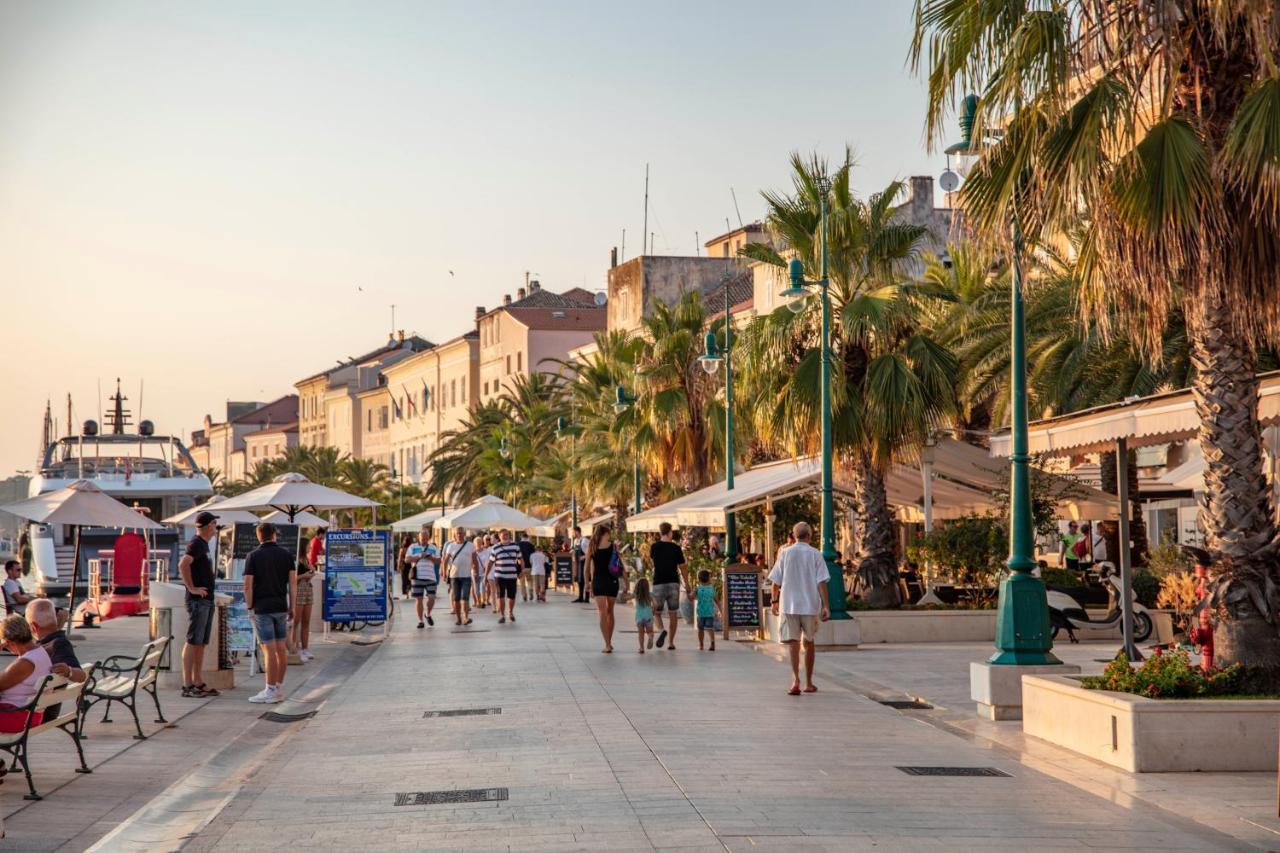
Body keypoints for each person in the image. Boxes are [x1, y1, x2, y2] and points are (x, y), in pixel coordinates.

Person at [767, 522, 830, 696]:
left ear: (794, 536)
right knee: (809, 643)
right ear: (809, 536)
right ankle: (809, 683)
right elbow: (822, 581)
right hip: (810, 605)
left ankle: (795, 681)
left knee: (793, 644)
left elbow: (775, 581)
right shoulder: (816, 554)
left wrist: (774, 602)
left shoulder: (785, 553)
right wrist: (826, 605)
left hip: (789, 604)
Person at [243, 523, 297, 705]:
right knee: (281, 649)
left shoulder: (253, 556)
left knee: (268, 650)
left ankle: (269, 689)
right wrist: (293, 606)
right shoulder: (286, 555)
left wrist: (249, 606)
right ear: (274, 535)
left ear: (259, 536)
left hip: (262, 607)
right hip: (281, 605)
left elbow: (248, 585)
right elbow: (293, 583)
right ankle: (278, 688)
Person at [178, 511, 220, 699]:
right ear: (208, 525)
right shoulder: (196, 543)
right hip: (198, 601)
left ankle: (198, 680)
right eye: (214, 524)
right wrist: (192, 588)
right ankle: (187, 684)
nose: (216, 527)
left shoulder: (203, 545)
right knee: (193, 640)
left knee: (201, 643)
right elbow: (183, 564)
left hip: (206, 599)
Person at [0, 614, 52, 732]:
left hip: (17, 716)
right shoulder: (39, 651)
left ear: (9, 642)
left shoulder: (26, 662)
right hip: (26, 713)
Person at [587, 524, 627, 653]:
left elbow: (586, 567)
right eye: (608, 533)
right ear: (605, 534)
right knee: (610, 611)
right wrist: (626, 582)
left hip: (598, 581)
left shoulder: (592, 547)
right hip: (612, 581)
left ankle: (607, 644)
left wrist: (587, 582)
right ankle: (609, 641)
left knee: (602, 613)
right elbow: (621, 565)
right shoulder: (614, 547)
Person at [649, 522, 688, 652]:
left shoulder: (654, 547)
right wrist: (687, 583)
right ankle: (671, 642)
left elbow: (653, 563)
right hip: (673, 583)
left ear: (660, 533)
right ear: (670, 532)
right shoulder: (676, 548)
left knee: (656, 612)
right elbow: (683, 567)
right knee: (673, 613)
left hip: (659, 582)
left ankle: (661, 630)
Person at [488, 530, 524, 624]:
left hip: (512, 576)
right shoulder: (495, 548)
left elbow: (520, 560)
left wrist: (522, 571)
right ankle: (502, 615)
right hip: (499, 576)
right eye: (503, 535)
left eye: (507, 534)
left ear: (509, 536)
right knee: (501, 596)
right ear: (499, 536)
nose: (505, 536)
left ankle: (511, 612)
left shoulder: (515, 546)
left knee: (512, 596)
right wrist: (486, 575)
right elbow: (491, 562)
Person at [443, 528, 477, 626]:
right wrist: (444, 573)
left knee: (465, 597)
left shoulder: (470, 546)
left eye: (461, 533)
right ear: (454, 534)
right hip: (454, 576)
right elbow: (445, 560)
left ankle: (466, 618)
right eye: (457, 533)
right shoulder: (451, 546)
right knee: (456, 599)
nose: (459, 535)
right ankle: (458, 618)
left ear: (464, 534)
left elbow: (474, 560)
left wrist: (476, 571)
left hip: (466, 576)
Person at [407, 527, 440, 629]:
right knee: (419, 599)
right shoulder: (412, 547)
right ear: (419, 537)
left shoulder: (433, 548)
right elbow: (407, 559)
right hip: (417, 577)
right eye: (422, 538)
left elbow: (439, 561)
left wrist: (430, 557)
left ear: (428, 538)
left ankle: (428, 614)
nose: (424, 540)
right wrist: (419, 556)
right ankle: (420, 621)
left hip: (430, 576)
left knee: (432, 598)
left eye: (426, 538)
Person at [292, 538, 316, 662]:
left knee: (306, 621)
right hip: (299, 589)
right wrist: (305, 575)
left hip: (307, 589)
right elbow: (291, 578)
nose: (310, 548)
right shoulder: (295, 560)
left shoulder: (306, 560)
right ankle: (294, 649)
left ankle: (305, 649)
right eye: (308, 546)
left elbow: (312, 570)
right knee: (296, 622)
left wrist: (311, 573)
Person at [695, 569, 721, 652]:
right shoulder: (711, 589)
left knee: (700, 629)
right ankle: (712, 642)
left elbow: (690, 597)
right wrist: (721, 611)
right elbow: (717, 601)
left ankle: (701, 645)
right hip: (710, 612)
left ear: (698, 579)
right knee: (710, 628)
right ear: (709, 578)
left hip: (701, 613)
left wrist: (689, 591)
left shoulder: (697, 589)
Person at [632, 578, 654, 653]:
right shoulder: (650, 595)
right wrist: (653, 612)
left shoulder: (636, 595)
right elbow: (656, 604)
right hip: (648, 616)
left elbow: (625, 597)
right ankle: (650, 637)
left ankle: (641, 648)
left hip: (639, 618)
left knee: (641, 633)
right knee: (650, 631)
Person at [571, 525, 590, 603]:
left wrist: (584, 557)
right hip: (578, 564)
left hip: (585, 563)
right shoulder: (575, 541)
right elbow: (574, 551)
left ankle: (587, 598)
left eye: (573, 532)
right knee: (579, 580)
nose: (572, 533)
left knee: (585, 580)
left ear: (577, 531)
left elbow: (590, 551)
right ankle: (580, 597)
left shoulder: (585, 540)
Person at [396, 532, 414, 600]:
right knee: (409, 579)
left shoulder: (402, 549)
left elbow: (399, 559)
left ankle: (406, 593)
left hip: (404, 566)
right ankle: (408, 592)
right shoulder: (411, 549)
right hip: (410, 565)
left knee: (404, 580)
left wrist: (398, 567)